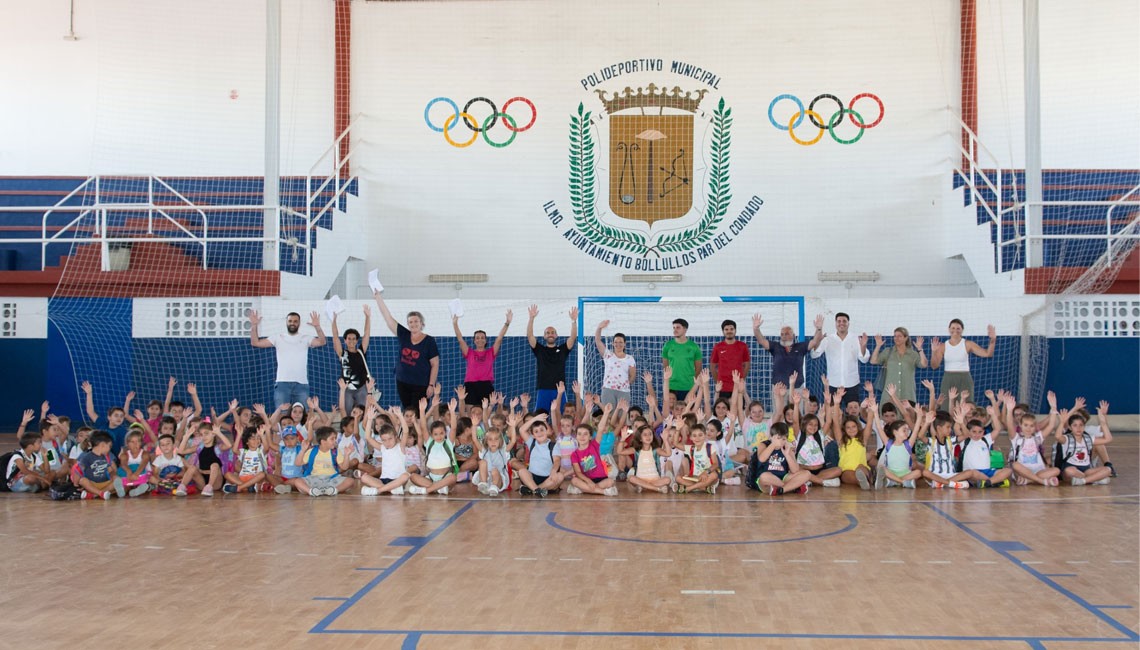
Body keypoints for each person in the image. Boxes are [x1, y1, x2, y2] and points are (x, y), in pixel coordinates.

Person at [372, 291, 440, 409]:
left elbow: (435, 364)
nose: (413, 324)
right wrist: (378, 297)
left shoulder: (429, 341)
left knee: (418, 413)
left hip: (421, 384)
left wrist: (431, 384)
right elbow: (388, 317)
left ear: (421, 324)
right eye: (410, 322)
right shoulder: (404, 334)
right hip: (403, 382)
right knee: (407, 412)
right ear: (408, 324)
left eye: (416, 321)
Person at [249, 310, 327, 407]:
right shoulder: (277, 337)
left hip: (301, 384)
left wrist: (317, 326)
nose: (292, 323)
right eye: (290, 321)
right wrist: (254, 325)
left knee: (303, 415)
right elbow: (255, 343)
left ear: (299, 323)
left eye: (295, 321)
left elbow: (322, 342)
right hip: (282, 383)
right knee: (282, 414)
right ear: (286, 322)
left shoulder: (306, 338)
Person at [929, 319, 996, 409]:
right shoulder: (943, 346)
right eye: (953, 328)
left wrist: (993, 339)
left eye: (958, 328)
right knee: (946, 407)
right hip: (948, 378)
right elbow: (934, 366)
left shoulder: (968, 344)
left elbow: (988, 354)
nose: (955, 330)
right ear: (949, 329)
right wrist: (934, 351)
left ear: (962, 330)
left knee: (966, 407)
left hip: (965, 379)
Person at [753, 313, 824, 393]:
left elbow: (815, 341)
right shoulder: (775, 347)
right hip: (779, 389)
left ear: (793, 335)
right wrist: (756, 329)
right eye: (782, 334)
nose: (784, 336)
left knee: (797, 406)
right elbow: (761, 340)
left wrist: (819, 329)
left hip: (797, 389)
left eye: (787, 334)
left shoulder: (800, 347)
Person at [454, 310, 512, 406]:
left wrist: (507, 323)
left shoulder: (491, 352)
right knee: (470, 413)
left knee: (485, 411)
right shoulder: (469, 352)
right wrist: (455, 323)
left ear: (485, 340)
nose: (480, 339)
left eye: (482, 337)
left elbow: (499, 338)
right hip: (470, 385)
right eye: (477, 337)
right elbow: (460, 339)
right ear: (474, 340)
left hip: (486, 385)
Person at [527, 304, 578, 412]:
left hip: (559, 390)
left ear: (556, 335)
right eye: (547, 333)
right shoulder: (539, 349)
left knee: (564, 417)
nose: (550, 334)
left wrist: (574, 321)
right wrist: (531, 318)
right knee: (540, 417)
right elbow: (530, 336)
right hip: (543, 389)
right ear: (544, 336)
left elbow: (572, 338)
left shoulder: (563, 349)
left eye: (553, 332)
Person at [810, 313, 869, 406]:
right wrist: (818, 338)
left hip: (852, 384)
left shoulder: (856, 339)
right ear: (835, 323)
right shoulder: (828, 339)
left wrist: (863, 346)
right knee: (832, 416)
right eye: (839, 321)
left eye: (844, 321)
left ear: (848, 323)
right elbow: (814, 354)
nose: (841, 323)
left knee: (853, 416)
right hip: (833, 384)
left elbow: (864, 359)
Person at [1055, 401, 1114, 486]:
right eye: (1075, 425)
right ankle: (1094, 479)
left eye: (1081, 425)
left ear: (1084, 426)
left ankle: (1084, 481)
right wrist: (1061, 422)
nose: (1078, 428)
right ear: (1070, 427)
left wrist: (1103, 422)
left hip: (1086, 469)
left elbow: (1108, 439)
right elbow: (1057, 436)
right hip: (1071, 469)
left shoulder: (1088, 438)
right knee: (1069, 471)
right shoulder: (1067, 438)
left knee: (1108, 469)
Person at [291, 426, 356, 496]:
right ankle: (311, 491)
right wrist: (303, 450)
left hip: (332, 478)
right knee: (297, 481)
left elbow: (344, 467)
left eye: (335, 438)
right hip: (314, 478)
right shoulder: (312, 451)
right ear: (323, 442)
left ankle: (334, 490)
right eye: (332, 439)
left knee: (350, 481)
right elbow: (297, 463)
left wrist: (347, 455)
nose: (335, 441)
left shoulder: (336, 452)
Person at [331, 305, 372, 413]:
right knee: (347, 413)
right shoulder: (342, 353)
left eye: (354, 339)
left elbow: (367, 334)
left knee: (363, 413)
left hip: (362, 388)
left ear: (357, 340)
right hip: (346, 389)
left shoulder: (361, 351)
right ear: (345, 340)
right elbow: (335, 336)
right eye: (349, 339)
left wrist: (367, 317)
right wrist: (333, 320)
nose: (351, 341)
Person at [870, 327, 928, 404]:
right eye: (895, 336)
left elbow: (924, 364)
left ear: (906, 338)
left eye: (899, 336)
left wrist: (920, 349)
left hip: (907, 394)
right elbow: (873, 361)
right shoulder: (888, 351)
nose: (896, 338)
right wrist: (878, 346)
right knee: (888, 415)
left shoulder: (913, 354)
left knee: (907, 415)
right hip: (889, 394)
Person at [751, 423, 811, 495]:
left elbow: (795, 470)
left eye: (783, 439)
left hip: (783, 477)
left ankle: (782, 490)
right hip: (767, 478)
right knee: (764, 477)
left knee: (807, 474)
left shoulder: (788, 448)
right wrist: (773, 444)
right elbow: (761, 459)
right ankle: (792, 487)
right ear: (771, 437)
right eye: (778, 438)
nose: (780, 441)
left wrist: (787, 454)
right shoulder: (763, 445)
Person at [566, 421, 619, 497]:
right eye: (579, 434)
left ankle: (582, 489)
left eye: (585, 434)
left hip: (601, 478)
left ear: (590, 437)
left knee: (610, 482)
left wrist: (606, 412)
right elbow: (578, 472)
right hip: (585, 480)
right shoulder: (574, 454)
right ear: (576, 436)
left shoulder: (594, 445)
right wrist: (589, 481)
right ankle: (604, 492)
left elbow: (600, 428)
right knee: (574, 480)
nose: (582, 436)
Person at [594, 320, 636, 407]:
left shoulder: (630, 359)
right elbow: (598, 341)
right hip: (608, 390)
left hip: (624, 391)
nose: (618, 344)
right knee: (609, 416)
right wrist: (599, 327)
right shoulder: (607, 355)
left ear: (625, 344)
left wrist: (624, 384)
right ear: (613, 343)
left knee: (621, 417)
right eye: (616, 342)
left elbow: (632, 376)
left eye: (621, 342)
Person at [75, 431, 125, 500]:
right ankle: (101, 493)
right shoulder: (86, 457)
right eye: (109, 446)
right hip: (92, 484)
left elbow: (112, 470)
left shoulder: (107, 456)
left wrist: (113, 475)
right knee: (83, 480)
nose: (110, 449)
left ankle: (96, 494)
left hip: (105, 483)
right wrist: (76, 484)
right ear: (103, 445)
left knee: (118, 480)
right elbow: (78, 470)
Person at [661, 318, 702, 401]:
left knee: (688, 412)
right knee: (671, 412)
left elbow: (698, 368)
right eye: (674, 328)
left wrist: (694, 384)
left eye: (678, 327)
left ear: (685, 329)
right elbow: (666, 366)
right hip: (672, 386)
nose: (675, 330)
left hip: (688, 386)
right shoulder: (668, 345)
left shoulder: (694, 346)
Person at [709, 319, 750, 400]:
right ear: (723, 331)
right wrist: (718, 381)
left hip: (738, 385)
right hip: (723, 387)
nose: (729, 331)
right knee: (722, 411)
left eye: (731, 329)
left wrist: (742, 379)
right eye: (726, 329)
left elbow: (747, 364)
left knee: (739, 410)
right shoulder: (718, 347)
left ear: (735, 330)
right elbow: (713, 366)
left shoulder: (743, 346)